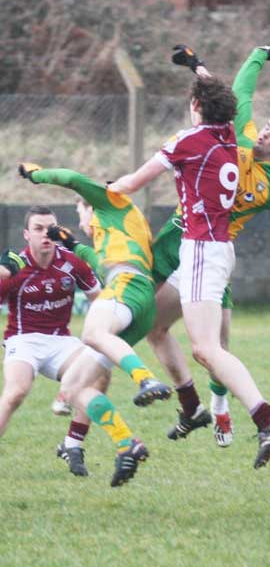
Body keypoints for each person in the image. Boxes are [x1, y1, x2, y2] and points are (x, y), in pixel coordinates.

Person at [147, 44, 270, 447]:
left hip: (211, 254)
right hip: (177, 238)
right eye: (267, 126)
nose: (265, 132)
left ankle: (219, 410)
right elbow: (238, 93)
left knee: (216, 344)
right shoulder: (240, 133)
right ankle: (200, 408)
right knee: (151, 324)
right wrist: (254, 56)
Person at [109, 74, 270, 469]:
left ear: (195, 106)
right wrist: (199, 70)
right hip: (217, 249)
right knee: (154, 324)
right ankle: (192, 407)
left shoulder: (186, 141)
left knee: (207, 349)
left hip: (201, 250)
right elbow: (232, 96)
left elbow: (131, 183)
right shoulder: (228, 134)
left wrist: (98, 190)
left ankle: (267, 417)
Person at [18, 166, 172, 486]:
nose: (80, 222)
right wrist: (71, 244)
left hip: (128, 285)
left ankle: (145, 379)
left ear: (90, 205)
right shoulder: (114, 233)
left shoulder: (109, 201)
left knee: (91, 332)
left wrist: (36, 174)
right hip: (139, 303)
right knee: (73, 387)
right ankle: (127, 444)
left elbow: (73, 180)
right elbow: (94, 257)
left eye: (79, 213)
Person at [0, 205, 107, 478]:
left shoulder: (72, 262)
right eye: (38, 229)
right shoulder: (16, 266)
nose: (45, 234)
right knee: (16, 392)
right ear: (26, 234)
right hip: (23, 340)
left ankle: (73, 445)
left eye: (51, 228)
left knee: (99, 371)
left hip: (61, 341)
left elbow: (102, 302)